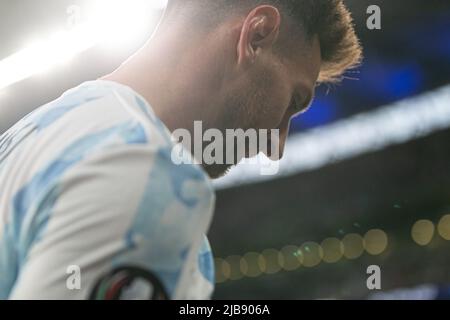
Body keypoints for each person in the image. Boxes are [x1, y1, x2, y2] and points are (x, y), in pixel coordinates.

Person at [0, 0, 362, 299]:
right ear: (257, 35)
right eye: (292, 101)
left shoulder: (36, 131)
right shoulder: (146, 175)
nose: (277, 145)